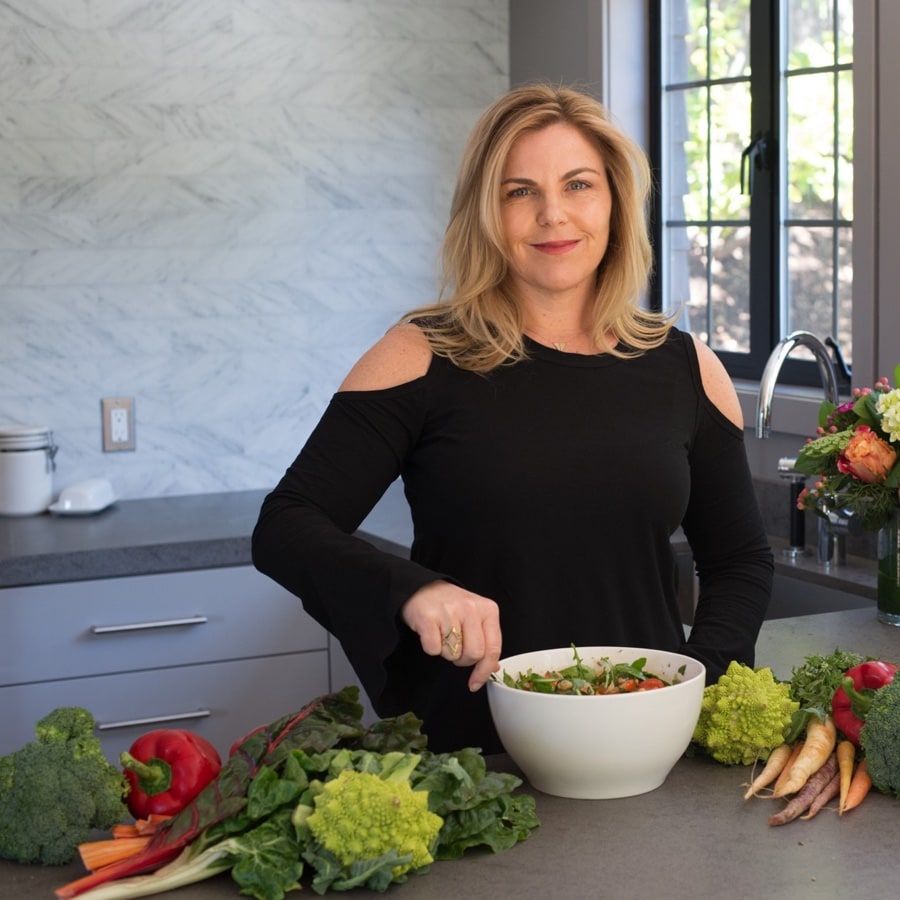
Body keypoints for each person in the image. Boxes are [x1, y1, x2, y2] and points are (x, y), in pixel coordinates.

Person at [251, 84, 773, 754]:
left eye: (578, 185)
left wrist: (695, 692)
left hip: (639, 745)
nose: (552, 214)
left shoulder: (684, 366)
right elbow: (286, 525)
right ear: (486, 214)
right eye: (519, 191)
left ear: (614, 200)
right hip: (473, 757)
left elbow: (739, 561)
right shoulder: (419, 353)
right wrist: (413, 589)